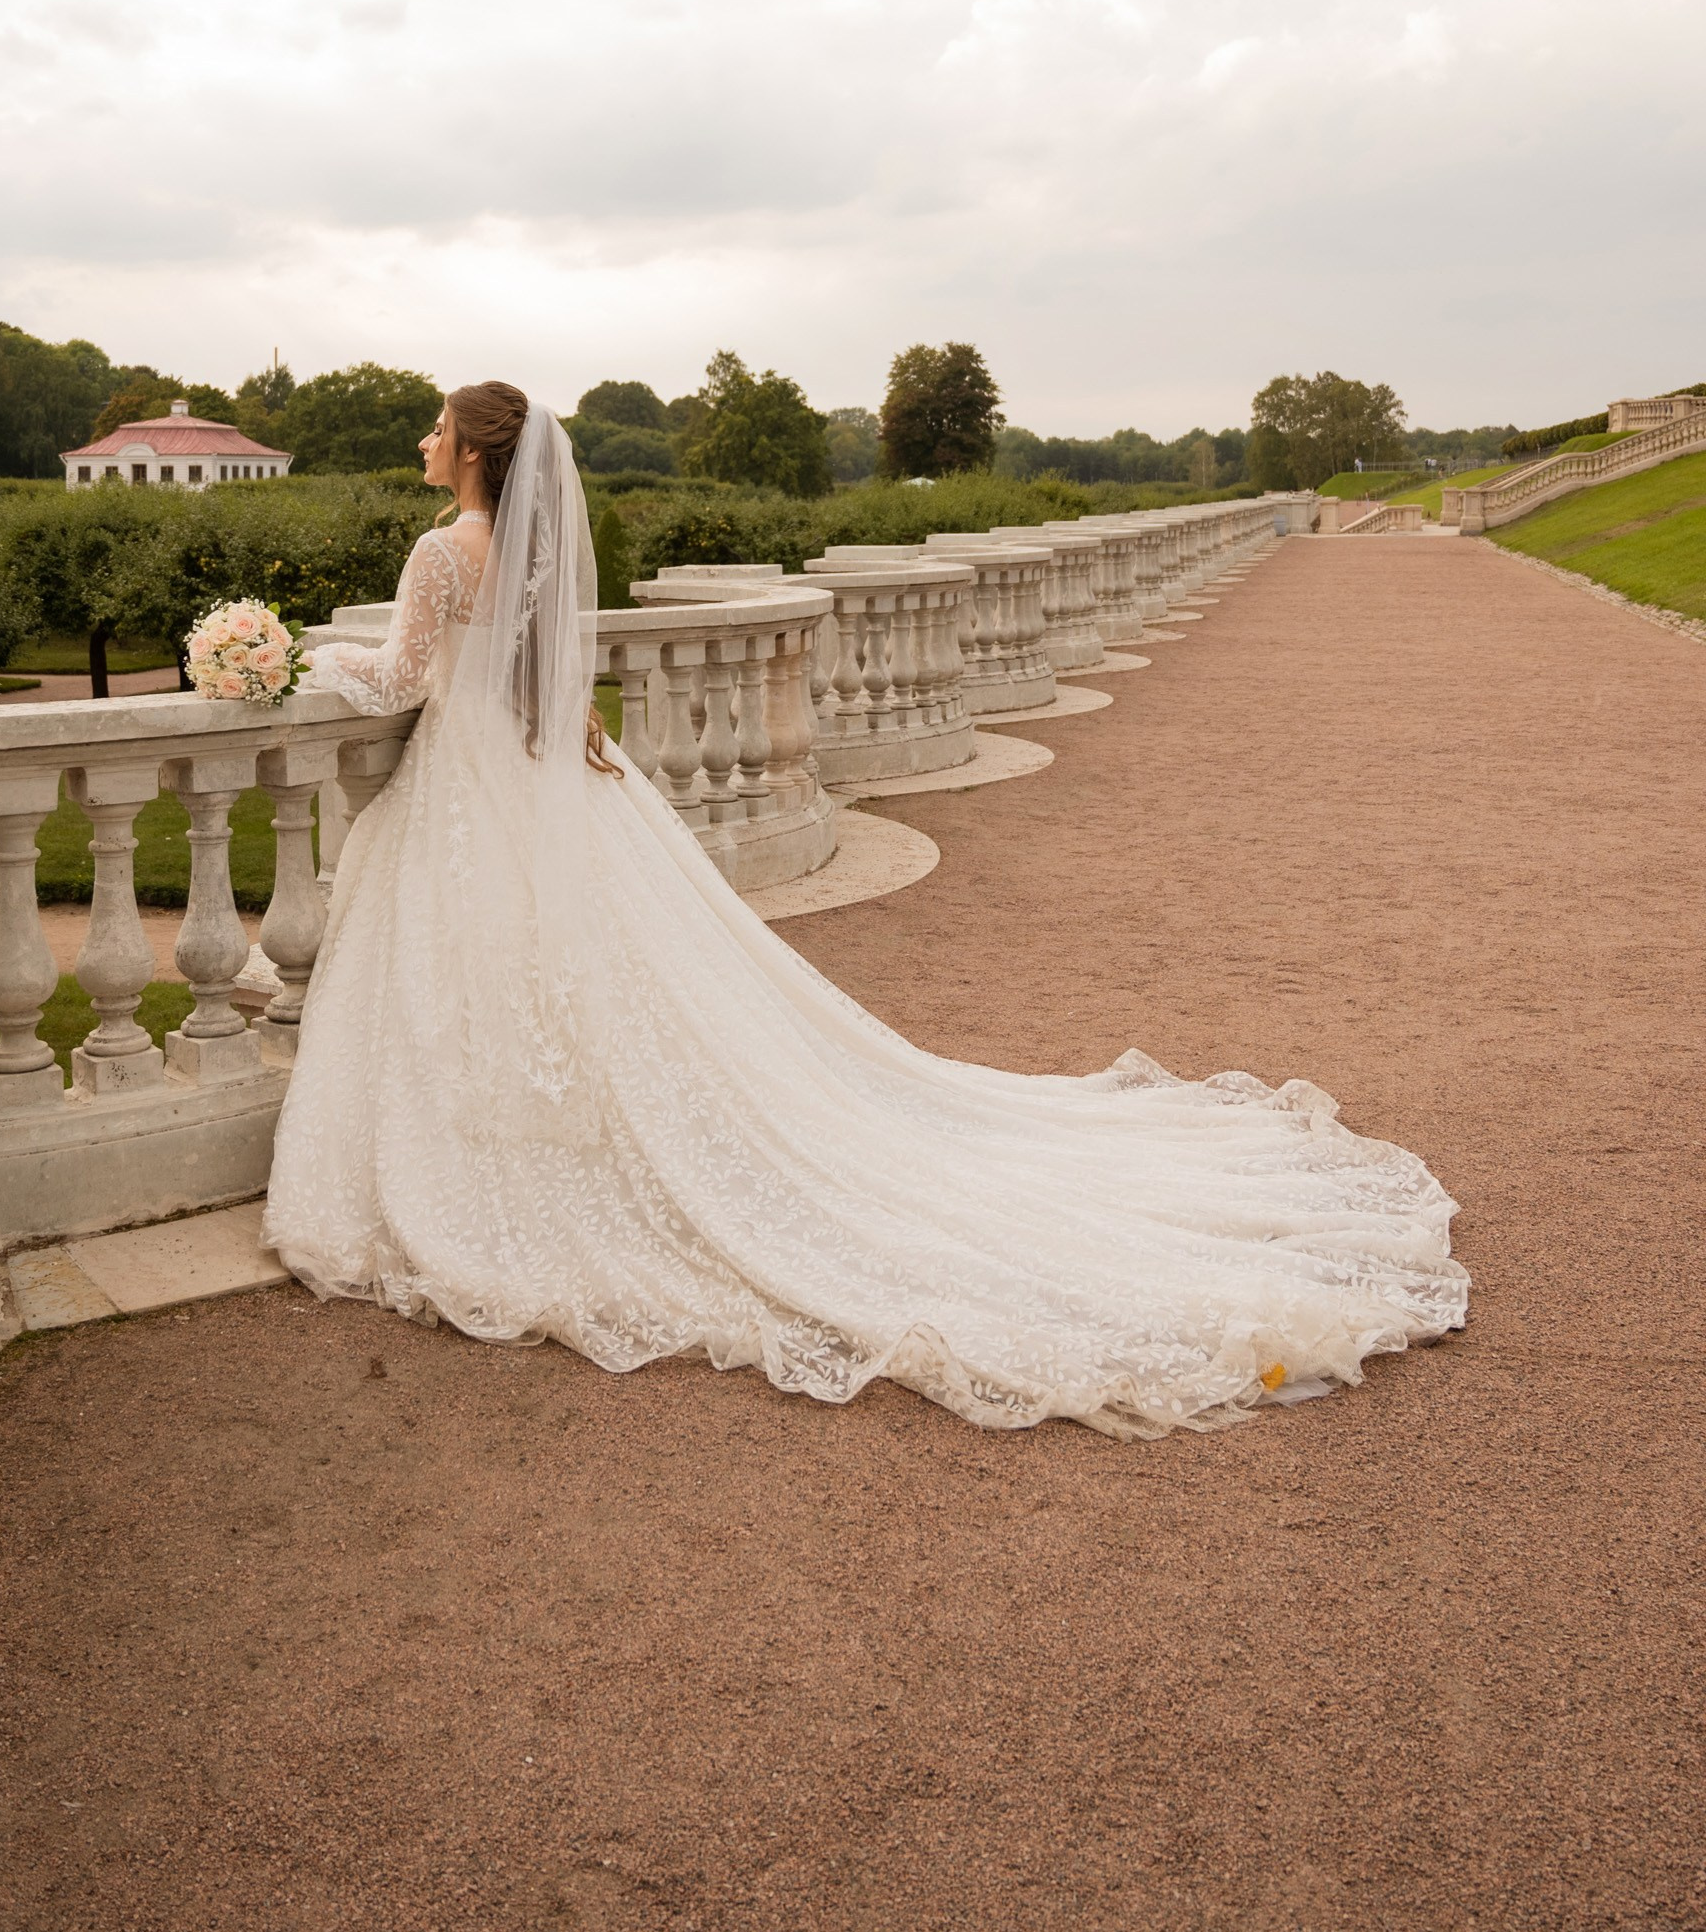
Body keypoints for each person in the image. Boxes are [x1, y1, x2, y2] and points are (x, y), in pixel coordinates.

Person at [263, 385, 1466, 1437]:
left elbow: (399, 675)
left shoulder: (441, 552)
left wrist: (279, 659)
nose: (422, 441)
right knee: (589, 966)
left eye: (435, 426)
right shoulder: (529, 551)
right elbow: (534, 669)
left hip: (471, 778)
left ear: (475, 451)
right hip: (535, 773)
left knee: (490, 969)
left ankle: (515, 1155)